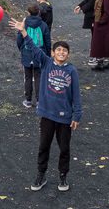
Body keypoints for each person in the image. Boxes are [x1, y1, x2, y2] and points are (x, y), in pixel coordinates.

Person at [10, 18, 82, 193]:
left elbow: (76, 95)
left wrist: (76, 115)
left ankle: (63, 177)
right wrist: (24, 32)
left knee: (64, 148)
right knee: (44, 146)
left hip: (64, 117)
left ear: (68, 54)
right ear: (52, 52)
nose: (61, 52)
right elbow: (34, 49)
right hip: (47, 115)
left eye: (65, 51)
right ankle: (41, 175)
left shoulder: (71, 71)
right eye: (58, 50)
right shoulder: (46, 63)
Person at [19, 4, 51, 108]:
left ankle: (28, 100)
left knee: (28, 77)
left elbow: (19, 40)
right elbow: (47, 41)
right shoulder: (43, 25)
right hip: (39, 54)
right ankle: (39, 101)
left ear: (28, 13)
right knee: (38, 77)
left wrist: (22, 50)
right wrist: (47, 55)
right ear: (39, 13)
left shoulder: (24, 24)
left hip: (27, 54)